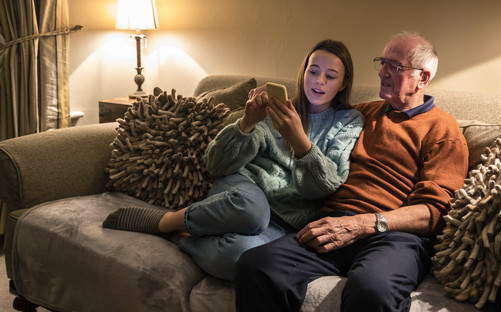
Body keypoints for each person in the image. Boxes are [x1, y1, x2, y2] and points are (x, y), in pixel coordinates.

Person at [234, 31, 469, 312]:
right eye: (381, 63)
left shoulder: (444, 129)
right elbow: (313, 106)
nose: (382, 72)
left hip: (392, 234)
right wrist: (269, 98)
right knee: (255, 266)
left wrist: (364, 224)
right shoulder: (360, 113)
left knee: (371, 290)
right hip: (330, 223)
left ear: (423, 78)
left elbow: (435, 211)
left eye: (394, 66)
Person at [102, 39, 364, 281]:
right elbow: (215, 165)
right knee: (253, 210)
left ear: (342, 84)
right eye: (313, 71)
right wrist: (247, 123)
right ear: (303, 72)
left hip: (285, 222)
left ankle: (181, 237)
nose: (319, 81)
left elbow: (324, 186)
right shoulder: (277, 107)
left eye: (330, 76)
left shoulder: (348, 121)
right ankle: (167, 220)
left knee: (245, 258)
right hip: (242, 193)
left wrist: (300, 143)